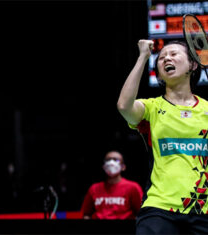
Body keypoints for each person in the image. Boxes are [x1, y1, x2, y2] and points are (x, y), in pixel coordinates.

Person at [117, 39, 208, 234]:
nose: (167, 58)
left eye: (174, 54)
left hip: (203, 209)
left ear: (192, 64)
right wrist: (143, 57)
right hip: (161, 208)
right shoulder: (152, 108)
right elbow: (124, 106)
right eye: (162, 58)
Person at [81, 151, 143, 220]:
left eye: (115, 160)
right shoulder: (94, 188)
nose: (111, 162)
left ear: (123, 167)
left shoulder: (133, 187)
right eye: (108, 160)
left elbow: (141, 213)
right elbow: (86, 214)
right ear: (103, 166)